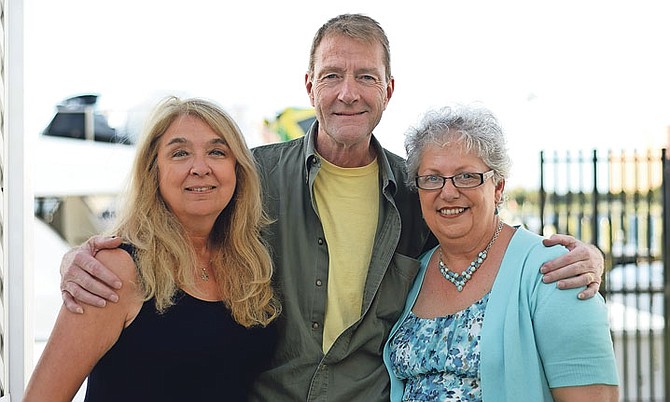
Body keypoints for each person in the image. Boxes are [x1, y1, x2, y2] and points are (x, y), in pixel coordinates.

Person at [58, 14, 606, 402]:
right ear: (309, 86)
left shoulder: (417, 193)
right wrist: (85, 257)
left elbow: (479, 228)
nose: (348, 93)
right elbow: (176, 218)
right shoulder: (252, 176)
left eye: (365, 77)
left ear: (388, 90)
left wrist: (583, 256)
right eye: (332, 76)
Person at [25, 97, 281, 402]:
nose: (200, 167)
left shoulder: (249, 266)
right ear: (153, 171)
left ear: (237, 170)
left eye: (217, 152)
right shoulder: (116, 270)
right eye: (180, 153)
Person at [383, 104, 618, 401]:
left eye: (466, 176)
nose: (448, 191)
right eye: (432, 178)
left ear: (497, 188)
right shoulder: (414, 270)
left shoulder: (555, 271)